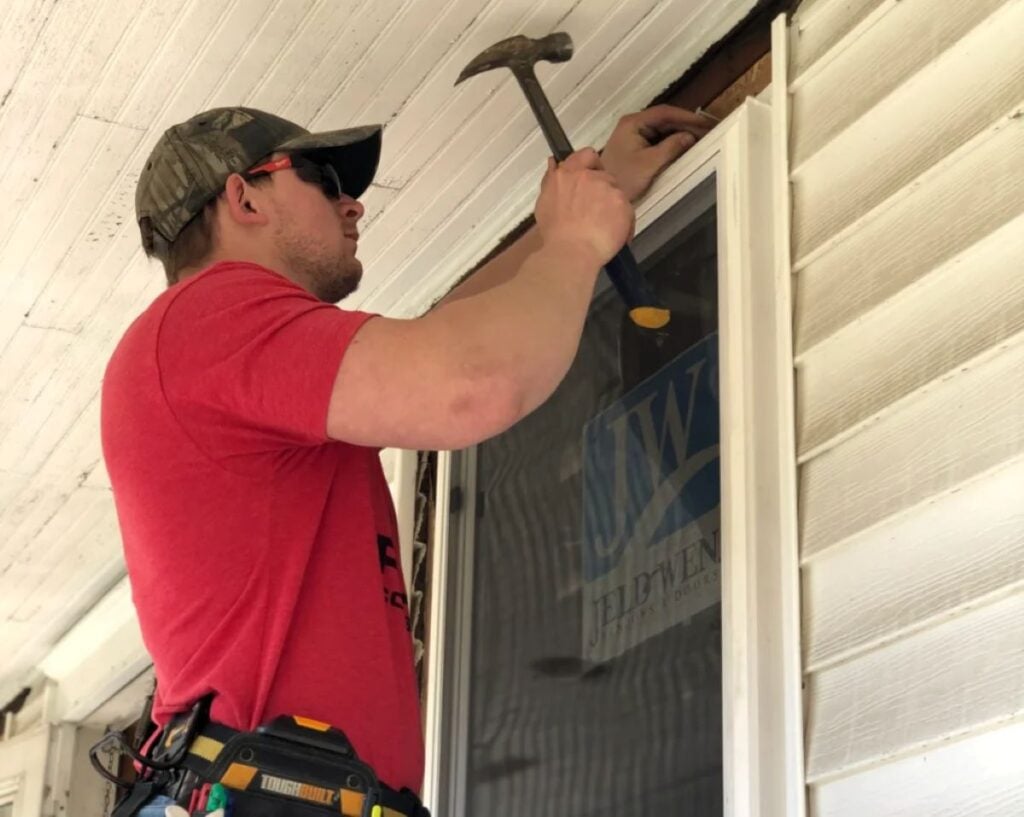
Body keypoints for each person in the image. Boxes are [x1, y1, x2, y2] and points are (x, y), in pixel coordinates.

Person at [101, 103, 709, 816]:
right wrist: (576, 242)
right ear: (244, 197)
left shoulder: (220, 355)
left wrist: (582, 215)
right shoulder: (210, 316)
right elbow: (469, 381)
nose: (352, 204)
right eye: (325, 180)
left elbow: (445, 343)